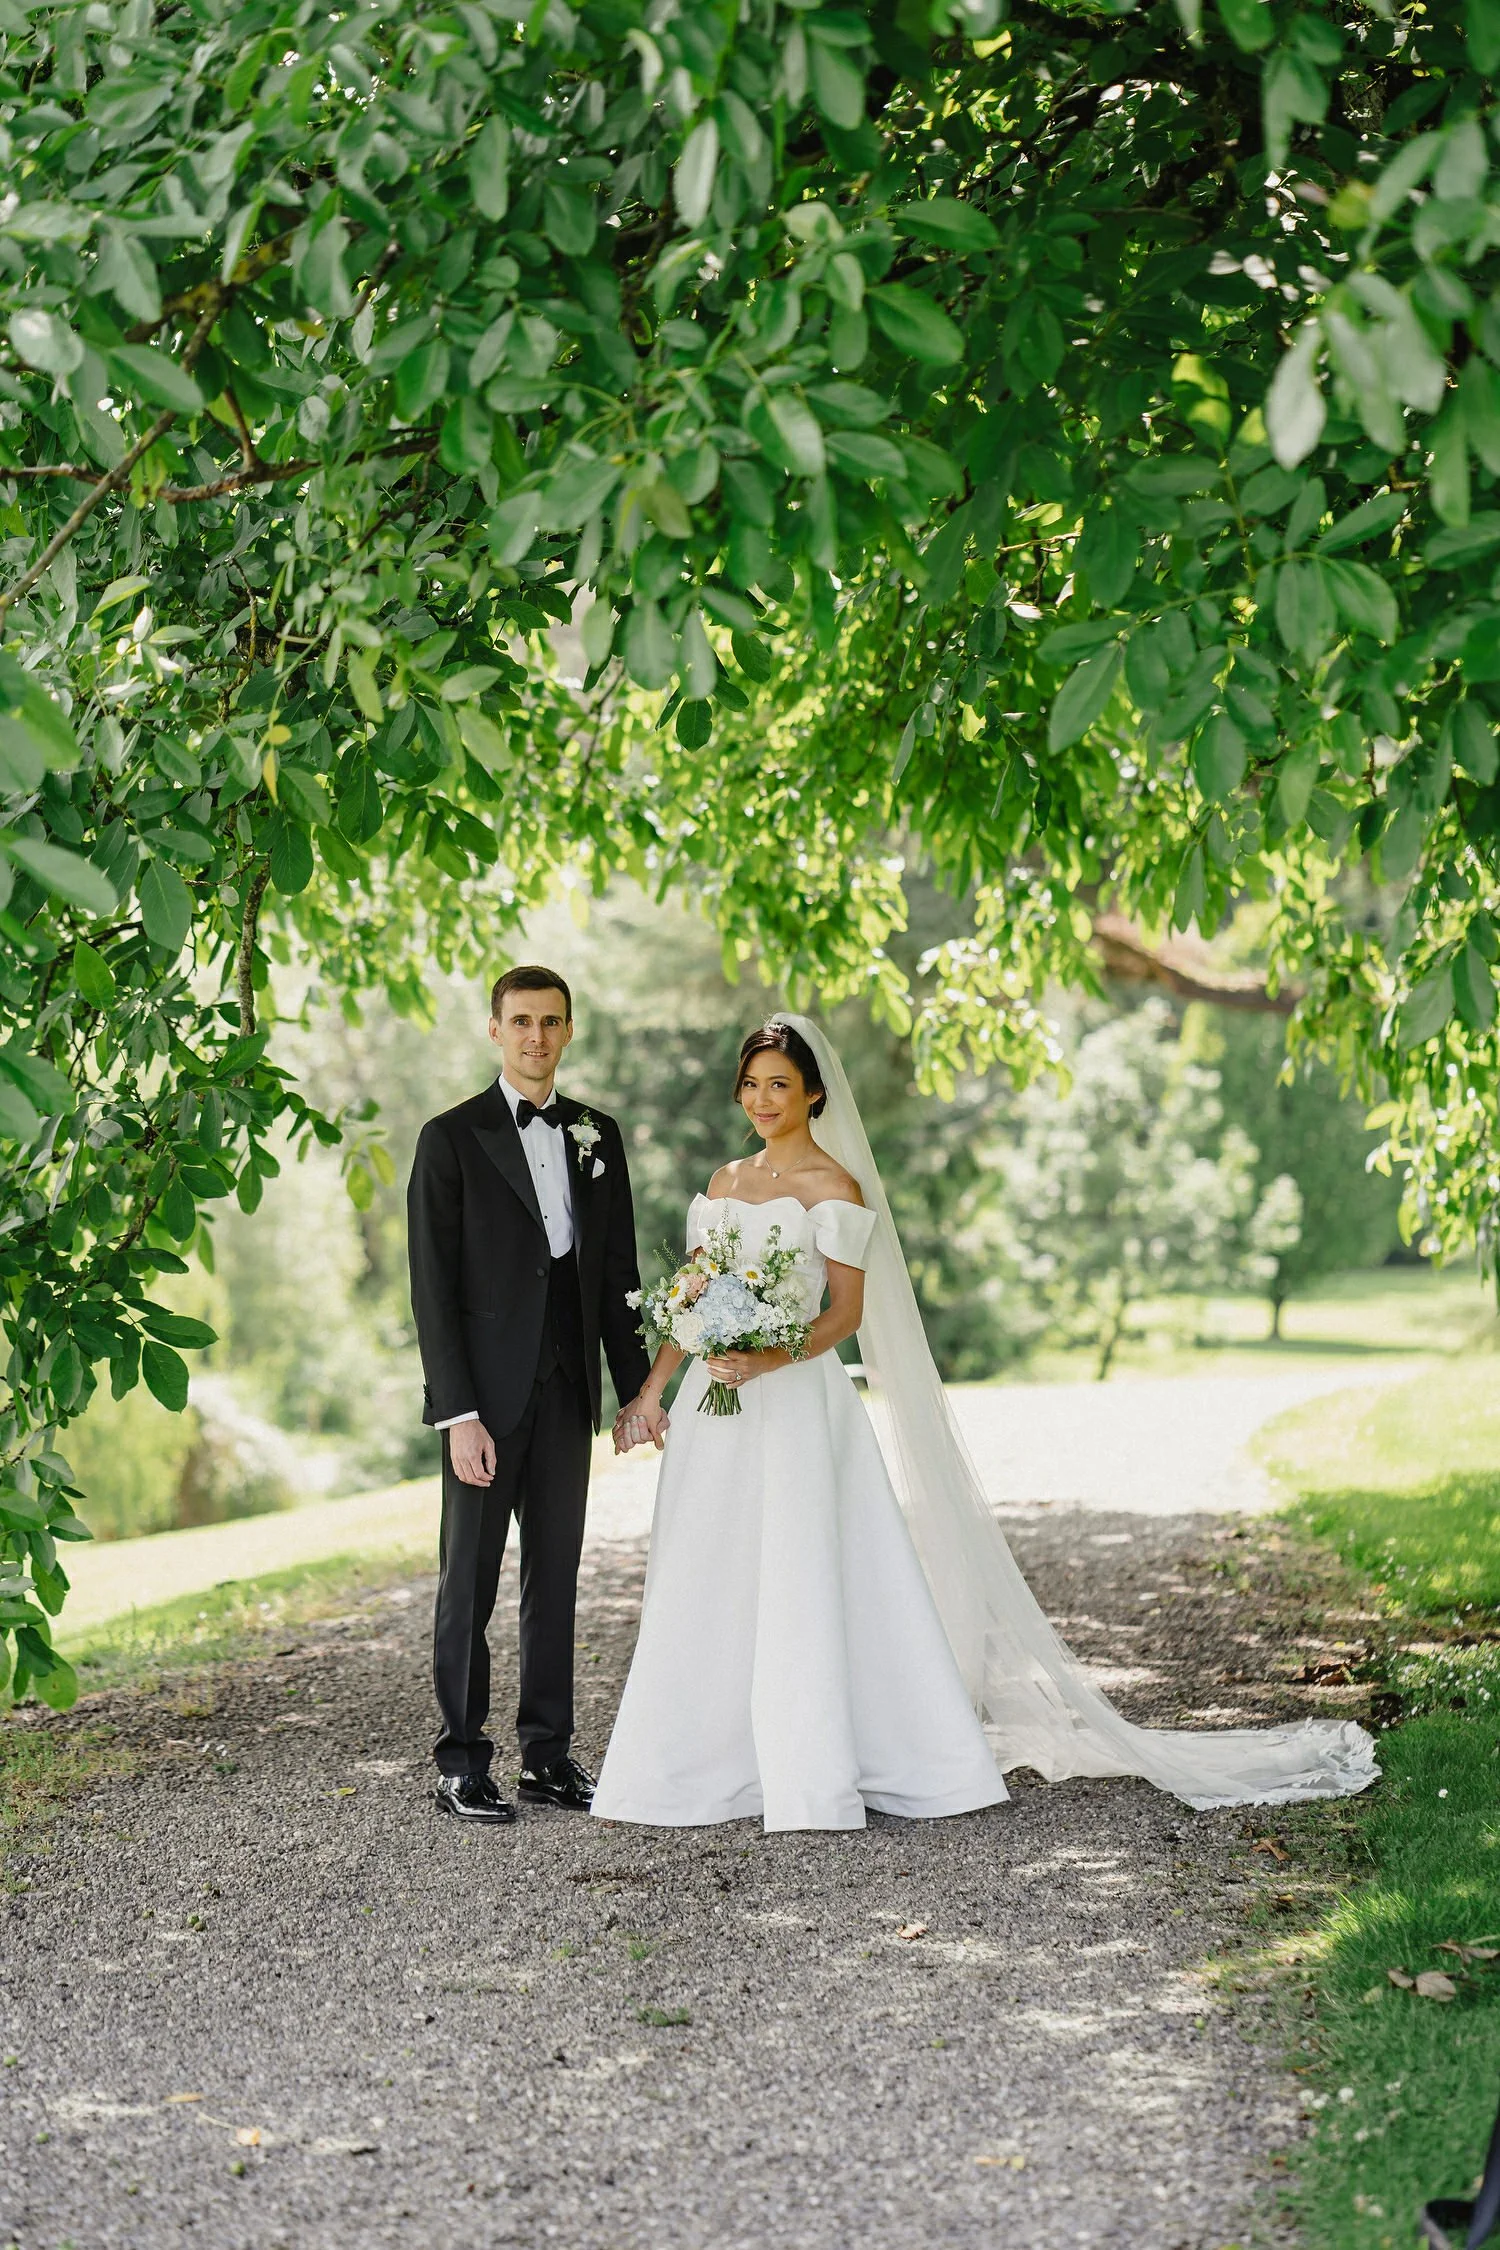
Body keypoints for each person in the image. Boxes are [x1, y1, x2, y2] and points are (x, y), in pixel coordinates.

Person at [595, 1015, 1379, 1832]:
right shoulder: (723, 1182)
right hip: (715, 1415)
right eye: (752, 1085)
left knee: (799, 1573)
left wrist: (769, 1356)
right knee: (707, 1568)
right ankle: (698, 1763)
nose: (762, 1100)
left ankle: (809, 1762)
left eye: (779, 1086)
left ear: (814, 1092)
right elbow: (693, 1304)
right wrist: (652, 1396)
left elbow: (845, 1316)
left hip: (793, 1405)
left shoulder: (836, 1189)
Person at [407, 966, 666, 1825]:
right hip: (483, 1403)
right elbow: (433, 1292)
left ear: (568, 1029)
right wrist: (458, 1414)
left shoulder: (599, 1134)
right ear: (494, 1030)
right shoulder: (449, 1139)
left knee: (556, 1581)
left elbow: (618, 1272)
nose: (537, 1038)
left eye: (552, 1023)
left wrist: (637, 1394)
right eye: (521, 1022)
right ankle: (460, 1763)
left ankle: (547, 1758)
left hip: (566, 1396)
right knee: (469, 1585)